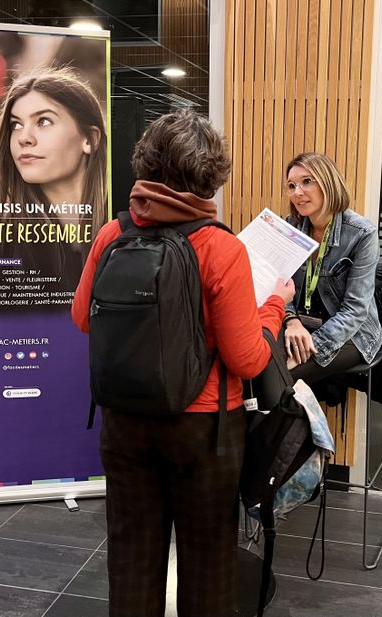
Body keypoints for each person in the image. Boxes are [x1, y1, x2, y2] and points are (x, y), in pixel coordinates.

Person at [71, 109, 294, 617]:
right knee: (208, 563)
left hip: (124, 424)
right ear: (209, 175)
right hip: (204, 430)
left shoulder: (112, 235)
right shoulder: (221, 248)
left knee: (131, 559)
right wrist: (274, 306)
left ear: (145, 164)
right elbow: (247, 356)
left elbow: (83, 317)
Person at [0, 66, 108, 284]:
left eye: (43, 121)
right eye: (16, 125)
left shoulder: (120, 229)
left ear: (90, 139)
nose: (24, 138)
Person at [282, 152, 382, 388]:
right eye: (291, 185)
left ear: (328, 182)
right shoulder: (290, 226)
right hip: (301, 323)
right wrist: (291, 321)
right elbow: (280, 284)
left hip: (351, 333)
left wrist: (307, 350)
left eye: (307, 181)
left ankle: (298, 425)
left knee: (277, 378)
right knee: (253, 363)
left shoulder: (362, 233)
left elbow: (356, 311)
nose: (298, 192)